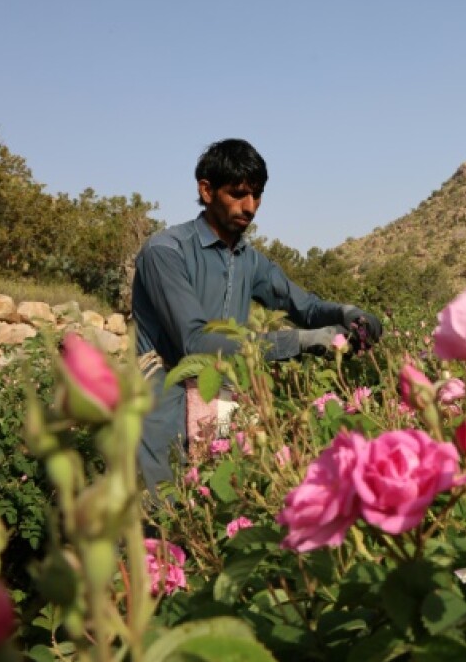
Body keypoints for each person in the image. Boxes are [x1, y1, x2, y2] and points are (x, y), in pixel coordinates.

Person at [131, 138, 382, 492]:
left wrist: (349, 313)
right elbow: (195, 341)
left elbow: (303, 306)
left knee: (216, 510)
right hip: (163, 408)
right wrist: (301, 341)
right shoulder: (165, 252)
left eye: (257, 195)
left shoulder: (248, 259)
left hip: (221, 402)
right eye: (237, 193)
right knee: (161, 519)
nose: (249, 207)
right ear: (206, 190)